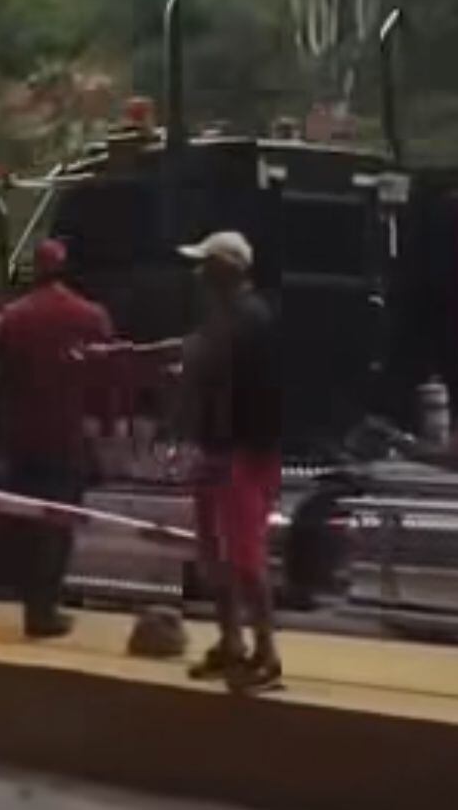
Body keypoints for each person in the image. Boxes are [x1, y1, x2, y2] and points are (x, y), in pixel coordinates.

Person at [177, 231, 284, 694]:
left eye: (206, 264)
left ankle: (266, 652)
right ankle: (231, 641)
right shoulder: (223, 319)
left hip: (243, 452)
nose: (198, 273)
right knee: (216, 554)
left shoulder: (252, 320)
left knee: (244, 555)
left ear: (227, 269)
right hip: (218, 449)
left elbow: (253, 392)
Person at [0, 239, 116, 639]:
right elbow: (107, 380)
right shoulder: (91, 316)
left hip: (22, 439)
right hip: (68, 439)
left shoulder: (12, 318)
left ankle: (34, 606)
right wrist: (106, 429)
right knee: (59, 525)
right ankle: (46, 608)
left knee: (29, 524)